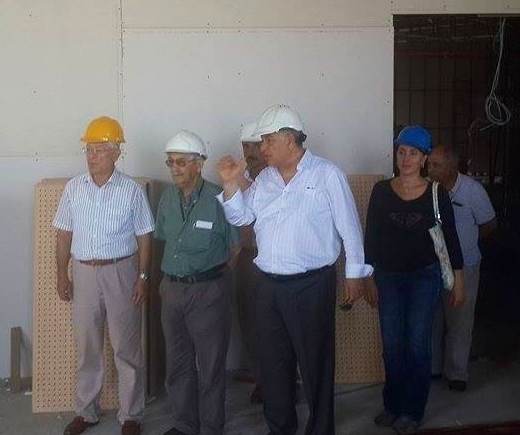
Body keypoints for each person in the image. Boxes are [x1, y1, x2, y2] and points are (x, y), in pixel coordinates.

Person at [216, 104, 372, 435]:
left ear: (289, 139)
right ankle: (280, 428)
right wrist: (230, 184)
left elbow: (349, 227)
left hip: (311, 285)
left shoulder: (326, 175)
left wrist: (355, 274)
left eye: (268, 140)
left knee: (316, 364)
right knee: (273, 366)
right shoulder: (265, 180)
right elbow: (242, 217)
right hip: (268, 286)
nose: (262, 148)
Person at [53, 116, 154, 435]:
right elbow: (63, 234)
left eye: (98, 150)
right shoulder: (74, 188)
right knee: (88, 345)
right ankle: (86, 411)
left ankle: (131, 415)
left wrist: (143, 277)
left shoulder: (131, 190)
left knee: (126, 347)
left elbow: (144, 236)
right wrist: (62, 274)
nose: (91, 156)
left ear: (116, 153)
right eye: (88, 150)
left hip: (121, 271)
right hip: (84, 273)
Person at [364, 125, 466, 434]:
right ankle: (393, 404)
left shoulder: (436, 193)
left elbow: (451, 237)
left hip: (425, 277)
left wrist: (459, 279)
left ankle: (412, 409)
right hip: (387, 277)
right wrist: (368, 276)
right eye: (402, 152)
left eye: (413, 153)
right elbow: (372, 237)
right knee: (392, 345)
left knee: (417, 345)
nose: (406, 158)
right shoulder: (381, 191)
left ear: (424, 159)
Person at [154, 131, 240, 435]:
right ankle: (184, 425)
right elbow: (163, 238)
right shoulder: (167, 198)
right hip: (171, 290)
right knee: (178, 363)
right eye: (170, 162)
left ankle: (212, 427)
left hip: (208, 291)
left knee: (211, 365)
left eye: (181, 162)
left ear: (199, 164)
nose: (174, 168)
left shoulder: (219, 199)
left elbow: (235, 246)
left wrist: (214, 280)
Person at [427, 145, 497, 392]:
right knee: (432, 318)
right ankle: (433, 368)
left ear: (452, 167)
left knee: (460, 320)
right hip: (432, 266)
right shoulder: (427, 189)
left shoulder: (472, 191)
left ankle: (457, 373)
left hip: (465, 265)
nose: (429, 169)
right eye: (429, 164)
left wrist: (466, 242)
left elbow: (489, 224)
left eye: (436, 165)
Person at [232, 120, 267, 404]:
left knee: (274, 323)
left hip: (272, 260)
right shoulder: (238, 177)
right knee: (249, 321)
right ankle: (260, 377)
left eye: (256, 145)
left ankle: (282, 380)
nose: (251, 151)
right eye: (246, 146)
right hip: (246, 257)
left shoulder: (279, 177)